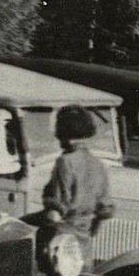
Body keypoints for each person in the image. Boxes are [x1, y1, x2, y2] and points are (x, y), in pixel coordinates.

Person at [42, 105, 115, 255]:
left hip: (62, 237)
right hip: (84, 240)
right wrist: (89, 233)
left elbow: (56, 211)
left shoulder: (65, 161)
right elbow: (105, 210)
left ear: (62, 132)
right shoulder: (98, 164)